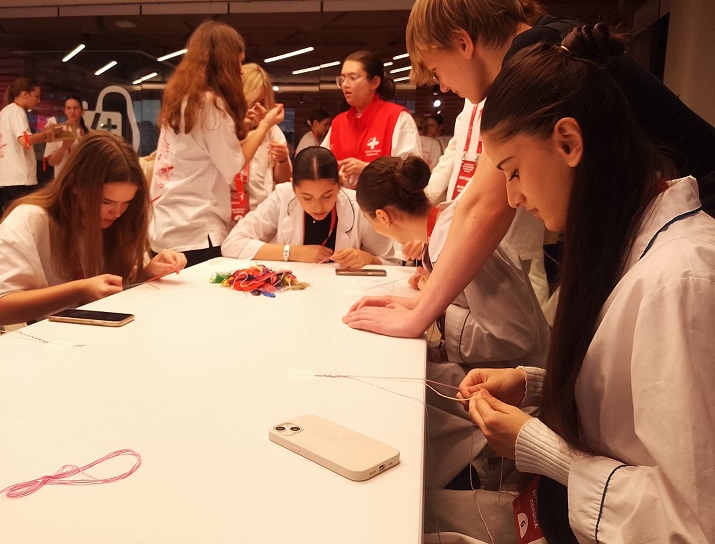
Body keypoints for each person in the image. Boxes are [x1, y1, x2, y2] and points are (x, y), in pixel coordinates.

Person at [343, 0, 715, 339]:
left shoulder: (533, 60)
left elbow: (485, 207)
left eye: (436, 70)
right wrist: (425, 303)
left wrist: (419, 316)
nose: (441, 86)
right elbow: (476, 201)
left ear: (463, 43)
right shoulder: (547, 39)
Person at [458, 42, 715, 542]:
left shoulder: (680, 281)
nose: (513, 196)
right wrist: (534, 384)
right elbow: (627, 402)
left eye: (513, 170)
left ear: (568, 142)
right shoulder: (624, 241)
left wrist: (542, 449)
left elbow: (691, 523)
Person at [355, 155, 548, 486]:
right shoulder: (444, 228)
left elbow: (513, 335)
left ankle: (457, 478)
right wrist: (419, 301)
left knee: (400, 391)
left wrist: (436, 312)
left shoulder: (454, 238)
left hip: (516, 382)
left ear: (383, 216)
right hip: (494, 365)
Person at [0, 132, 186, 326]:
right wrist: (80, 289)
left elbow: (118, 287)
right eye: (106, 201)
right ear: (75, 185)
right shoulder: (31, 220)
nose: (117, 212)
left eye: (126, 202)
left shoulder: (125, 220)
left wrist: (147, 273)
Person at [150, 21, 285, 266]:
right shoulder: (210, 104)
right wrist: (265, 124)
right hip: (196, 230)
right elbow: (233, 165)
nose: (241, 71)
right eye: (238, 62)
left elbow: (215, 151)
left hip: (166, 223)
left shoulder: (182, 98)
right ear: (224, 62)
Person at [222, 147, 396, 268]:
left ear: (339, 184)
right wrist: (293, 253)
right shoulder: (282, 196)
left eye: (327, 196)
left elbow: (392, 262)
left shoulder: (358, 205)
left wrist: (367, 258)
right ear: (293, 187)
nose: (318, 206)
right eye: (306, 197)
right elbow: (231, 244)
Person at [321, 50, 421, 187]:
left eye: (353, 77)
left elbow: (412, 172)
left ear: (374, 82)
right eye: (342, 79)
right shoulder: (339, 122)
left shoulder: (397, 117)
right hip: (345, 198)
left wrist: (368, 169)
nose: (345, 84)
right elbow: (322, 164)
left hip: (385, 198)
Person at [0, 77, 74, 218]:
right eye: (37, 96)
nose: (38, 100)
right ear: (25, 94)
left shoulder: (6, 111)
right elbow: (25, 140)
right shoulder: (17, 111)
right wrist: (47, 135)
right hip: (19, 176)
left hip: (9, 176)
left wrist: (43, 134)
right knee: (21, 217)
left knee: (12, 216)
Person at [239, 63, 291, 211]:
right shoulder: (225, 127)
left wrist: (282, 159)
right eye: (250, 101)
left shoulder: (272, 131)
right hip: (225, 213)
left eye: (261, 102)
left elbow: (284, 181)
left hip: (261, 212)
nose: (256, 108)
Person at [44, 95, 90, 179]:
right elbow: (52, 162)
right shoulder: (57, 131)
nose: (72, 112)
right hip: (62, 181)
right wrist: (64, 147)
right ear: (65, 111)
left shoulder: (89, 133)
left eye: (76, 108)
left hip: (83, 180)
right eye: (69, 108)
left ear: (82, 111)